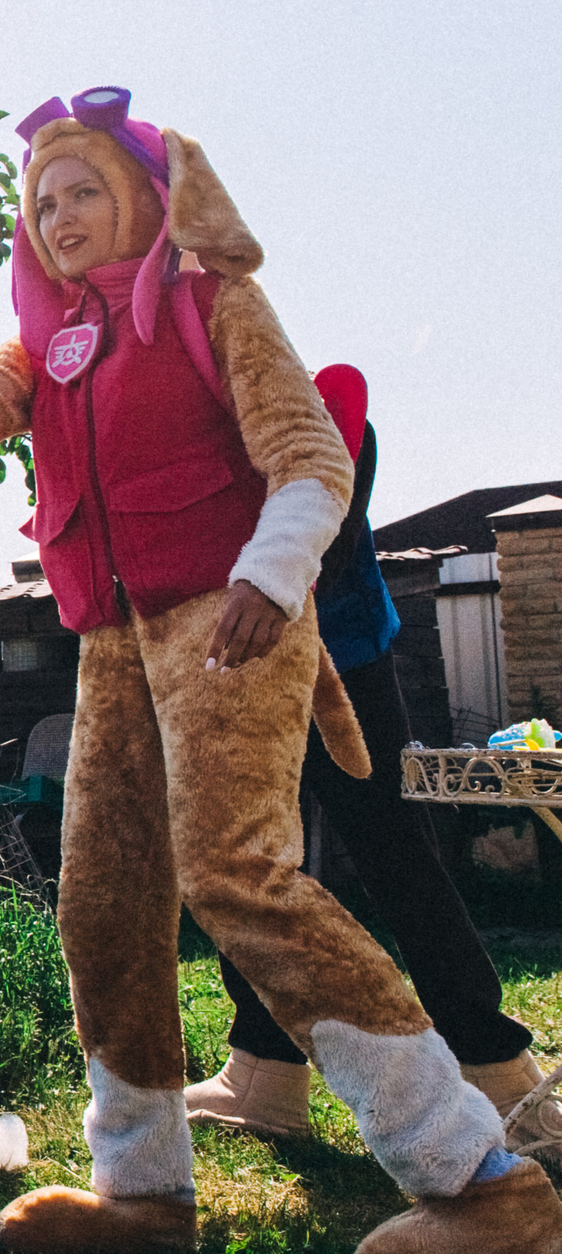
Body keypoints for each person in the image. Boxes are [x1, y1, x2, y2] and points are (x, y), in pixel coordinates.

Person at [0, 86, 562, 1254]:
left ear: (146, 195)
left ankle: (485, 1186)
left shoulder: (209, 300)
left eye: (83, 190)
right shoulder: (45, 346)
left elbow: (311, 457)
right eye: (41, 202)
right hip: (113, 646)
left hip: (232, 624)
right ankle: (142, 1191)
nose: (59, 215)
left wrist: (267, 577)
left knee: (236, 874)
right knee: (102, 901)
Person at [190, 371, 560, 1149]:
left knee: (382, 849)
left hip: (331, 653)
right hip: (261, 658)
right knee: (254, 863)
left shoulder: (298, 398)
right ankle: (266, 1070)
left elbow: (336, 472)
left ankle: (494, 1066)